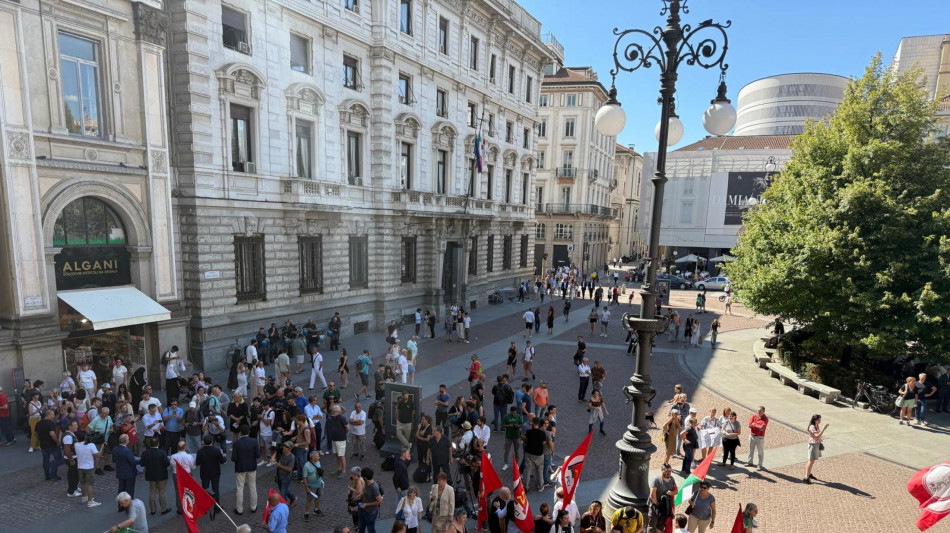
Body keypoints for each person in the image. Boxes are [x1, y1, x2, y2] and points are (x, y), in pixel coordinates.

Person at [232, 424, 260, 514]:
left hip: (240, 468)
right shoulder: (254, 441)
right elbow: (258, 455)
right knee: (252, 486)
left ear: (240, 432)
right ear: (249, 432)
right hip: (252, 467)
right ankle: (253, 507)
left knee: (240, 488)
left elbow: (233, 458)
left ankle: (239, 509)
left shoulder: (236, 443)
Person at [141, 437, 171, 515]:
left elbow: (142, 464)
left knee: (152, 492)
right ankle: (163, 509)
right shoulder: (162, 452)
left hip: (150, 475)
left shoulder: (145, 453)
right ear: (158, 443)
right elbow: (167, 463)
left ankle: (152, 510)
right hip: (161, 475)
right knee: (162, 492)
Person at [196, 435, 226, 507]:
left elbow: (197, 463)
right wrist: (224, 456)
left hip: (204, 473)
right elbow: (222, 461)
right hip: (215, 473)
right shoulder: (217, 450)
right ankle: (217, 506)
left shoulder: (200, 451)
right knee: (215, 489)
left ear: (203, 442)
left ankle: (205, 506)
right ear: (212, 441)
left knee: (204, 489)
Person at [647, 464, 677, 533]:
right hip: (654, 506)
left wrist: (670, 493)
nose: (669, 473)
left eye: (670, 471)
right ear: (662, 470)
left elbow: (676, 491)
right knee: (651, 526)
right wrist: (657, 505)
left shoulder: (671, 479)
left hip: (665, 507)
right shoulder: (656, 480)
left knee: (661, 526)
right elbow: (652, 495)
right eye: (667, 471)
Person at [76, 430, 102, 507]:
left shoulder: (76, 444)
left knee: (82, 483)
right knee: (90, 484)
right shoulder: (91, 445)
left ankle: (84, 497)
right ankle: (90, 501)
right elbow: (97, 455)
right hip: (89, 467)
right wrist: (102, 447)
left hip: (80, 466)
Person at [804, 414, 829, 483]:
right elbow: (817, 436)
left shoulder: (816, 425)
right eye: (819, 419)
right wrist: (824, 429)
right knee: (811, 461)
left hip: (816, 444)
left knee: (812, 460)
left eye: (820, 419)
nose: (820, 420)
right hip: (813, 445)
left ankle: (809, 474)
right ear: (815, 420)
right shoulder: (812, 427)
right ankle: (806, 477)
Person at [359, 467, 384, 533]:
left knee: (371, 529)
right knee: (361, 527)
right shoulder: (366, 483)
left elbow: (380, 501)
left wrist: (366, 504)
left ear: (365, 478)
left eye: (362, 477)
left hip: (371, 512)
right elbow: (365, 490)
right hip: (363, 508)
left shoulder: (374, 487)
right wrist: (360, 495)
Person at [327, 404, 350, 475]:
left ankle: (344, 470)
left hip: (341, 439)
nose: (332, 412)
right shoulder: (332, 417)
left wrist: (343, 433)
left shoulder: (342, 418)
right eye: (332, 411)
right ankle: (339, 469)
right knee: (337, 454)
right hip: (334, 439)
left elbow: (347, 428)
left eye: (334, 411)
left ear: (338, 411)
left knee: (341, 455)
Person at [302, 450, 325, 521]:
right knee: (309, 500)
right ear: (312, 457)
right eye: (317, 456)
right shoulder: (306, 466)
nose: (319, 457)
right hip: (311, 486)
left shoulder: (318, 462)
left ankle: (316, 509)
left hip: (319, 484)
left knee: (318, 497)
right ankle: (306, 513)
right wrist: (307, 488)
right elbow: (304, 478)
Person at [745, 406, 768, 470]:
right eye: (758, 410)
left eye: (760, 411)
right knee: (750, 450)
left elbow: (762, 428)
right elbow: (749, 425)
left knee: (760, 452)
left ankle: (759, 465)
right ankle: (750, 462)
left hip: (760, 437)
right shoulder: (754, 416)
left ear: (763, 411)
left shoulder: (765, 419)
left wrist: (754, 424)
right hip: (752, 435)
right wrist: (757, 425)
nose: (758, 412)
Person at [275, 442, 297, 506]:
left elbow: (290, 469)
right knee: (284, 490)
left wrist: (280, 466)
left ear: (290, 449)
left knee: (282, 493)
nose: (283, 450)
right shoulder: (281, 453)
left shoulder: (292, 457)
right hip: (279, 475)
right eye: (283, 448)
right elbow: (274, 453)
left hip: (286, 477)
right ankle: (293, 498)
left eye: (285, 449)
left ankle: (284, 507)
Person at [501, 405, 522, 471]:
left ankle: (516, 464)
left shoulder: (518, 416)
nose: (513, 413)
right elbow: (502, 425)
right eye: (512, 412)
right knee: (506, 451)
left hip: (516, 436)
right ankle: (506, 463)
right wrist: (508, 425)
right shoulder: (506, 416)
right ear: (510, 411)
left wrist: (518, 426)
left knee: (517, 451)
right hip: (508, 436)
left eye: (514, 412)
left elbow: (521, 424)